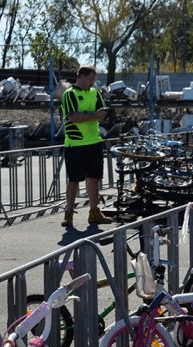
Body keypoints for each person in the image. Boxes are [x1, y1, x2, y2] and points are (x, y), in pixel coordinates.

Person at [60, 65, 111, 228]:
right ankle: (68, 213)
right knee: (74, 179)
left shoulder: (95, 93)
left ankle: (94, 211)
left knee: (94, 178)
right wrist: (94, 116)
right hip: (75, 144)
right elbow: (73, 117)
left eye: (93, 80)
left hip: (94, 142)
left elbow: (101, 113)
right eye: (90, 79)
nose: (92, 83)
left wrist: (101, 115)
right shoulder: (69, 94)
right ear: (81, 76)